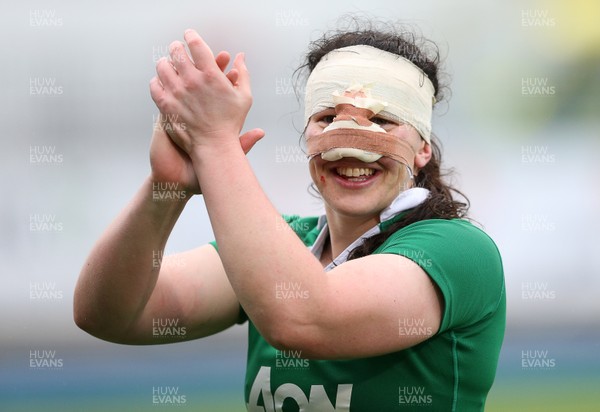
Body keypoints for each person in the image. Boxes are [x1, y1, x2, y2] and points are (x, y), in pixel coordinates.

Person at [74, 22, 505, 411]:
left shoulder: (458, 252)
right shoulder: (281, 246)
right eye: (327, 118)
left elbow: (304, 318)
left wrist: (215, 145)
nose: (349, 142)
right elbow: (109, 314)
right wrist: (164, 189)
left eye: (384, 120)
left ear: (423, 148)